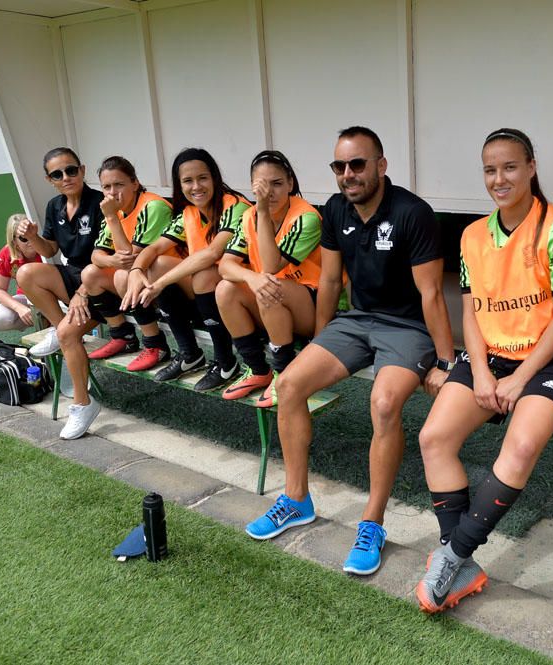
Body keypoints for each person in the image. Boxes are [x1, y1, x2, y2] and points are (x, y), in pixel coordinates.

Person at [244, 127, 455, 577]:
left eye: (357, 164)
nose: (347, 174)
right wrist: (321, 340)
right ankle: (296, 499)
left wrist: (444, 362)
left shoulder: (413, 213)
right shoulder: (336, 209)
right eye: (339, 166)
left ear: (381, 166)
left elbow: (433, 294)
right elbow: (332, 282)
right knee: (291, 382)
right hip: (357, 323)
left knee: (382, 404)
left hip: (408, 328)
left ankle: (372, 522)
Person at [415, 128, 553, 612]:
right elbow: (470, 313)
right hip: (491, 357)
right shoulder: (474, 235)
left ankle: (452, 555)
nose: (500, 178)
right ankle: (461, 562)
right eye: (491, 170)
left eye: (510, 167)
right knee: (434, 438)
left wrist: (519, 378)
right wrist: (480, 373)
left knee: (519, 445)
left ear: (532, 167)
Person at [55, 156, 174, 440]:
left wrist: (110, 218)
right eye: (107, 187)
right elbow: (97, 254)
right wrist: (109, 258)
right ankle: (122, 335)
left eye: (119, 185)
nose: (112, 193)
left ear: (135, 182)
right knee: (91, 274)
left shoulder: (152, 205)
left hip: (167, 288)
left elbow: (132, 260)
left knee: (121, 275)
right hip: (138, 282)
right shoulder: (115, 209)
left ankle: (155, 343)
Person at [119, 148, 247, 391]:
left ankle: (226, 362)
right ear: (179, 185)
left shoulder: (235, 205)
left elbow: (212, 254)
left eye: (203, 178)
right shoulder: (189, 212)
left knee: (203, 273)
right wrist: (136, 270)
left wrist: (159, 284)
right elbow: (155, 248)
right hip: (206, 298)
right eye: (187, 181)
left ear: (215, 178)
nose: (196, 186)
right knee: (156, 264)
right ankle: (190, 354)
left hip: (238, 296)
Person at [216, 150, 323, 408]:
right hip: (273, 304)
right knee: (225, 290)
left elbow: (271, 266)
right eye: (262, 186)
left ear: (290, 184)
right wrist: (250, 278)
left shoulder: (305, 217)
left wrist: (262, 212)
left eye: (277, 184)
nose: (270, 192)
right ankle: (257, 370)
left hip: (313, 308)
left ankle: (283, 373)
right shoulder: (248, 216)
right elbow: (226, 266)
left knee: (269, 287)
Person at [16, 147, 103, 354]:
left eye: (71, 170)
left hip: (100, 281)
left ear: (82, 170)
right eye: (57, 174)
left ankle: (65, 333)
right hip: (72, 275)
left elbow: (109, 257)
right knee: (25, 273)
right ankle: (60, 328)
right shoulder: (54, 206)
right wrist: (32, 236)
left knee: (68, 336)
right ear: (50, 179)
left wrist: (82, 292)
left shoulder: (100, 202)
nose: (65, 178)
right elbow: (49, 250)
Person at [0, 213, 42, 331]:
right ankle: (43, 325)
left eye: (33, 233)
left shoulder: (47, 246)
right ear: (14, 242)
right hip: (28, 297)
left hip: (55, 295)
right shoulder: (6, 254)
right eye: (24, 238)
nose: (30, 240)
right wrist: (19, 308)